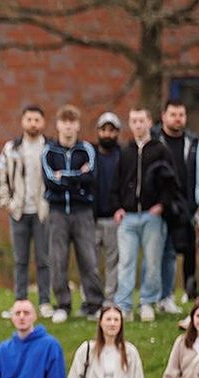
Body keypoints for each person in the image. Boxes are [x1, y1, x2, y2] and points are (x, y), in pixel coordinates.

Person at [112, 108, 177, 322]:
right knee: (126, 262)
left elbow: (171, 182)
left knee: (152, 262)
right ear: (130, 124)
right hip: (128, 217)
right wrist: (117, 207)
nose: (138, 125)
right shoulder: (124, 151)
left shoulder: (161, 150)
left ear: (149, 122)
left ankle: (147, 302)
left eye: (141, 120)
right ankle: (124, 305)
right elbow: (116, 182)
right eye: (134, 121)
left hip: (152, 216)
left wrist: (162, 205)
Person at [43, 104, 104, 323]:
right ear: (58, 125)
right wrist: (77, 176)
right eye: (64, 122)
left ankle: (94, 304)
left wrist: (65, 176)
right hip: (57, 212)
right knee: (58, 260)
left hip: (82, 211)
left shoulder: (87, 149)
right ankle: (63, 304)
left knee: (89, 259)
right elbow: (50, 181)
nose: (68, 127)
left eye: (72, 122)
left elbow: (91, 178)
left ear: (78, 126)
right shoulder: (49, 151)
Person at [0, 105, 54, 319]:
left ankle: (45, 302)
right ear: (22, 122)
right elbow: (2, 175)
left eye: (37, 120)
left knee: (43, 260)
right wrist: (7, 202)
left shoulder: (50, 147)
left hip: (42, 211)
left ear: (43, 123)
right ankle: (19, 302)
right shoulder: (11, 148)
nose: (33, 124)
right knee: (20, 260)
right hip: (18, 211)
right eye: (29, 119)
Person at [155, 100, 198, 306]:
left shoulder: (193, 142)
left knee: (187, 249)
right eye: (173, 114)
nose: (177, 119)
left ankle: (188, 290)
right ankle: (159, 295)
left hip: (187, 204)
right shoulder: (154, 140)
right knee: (159, 253)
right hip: (159, 205)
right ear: (164, 116)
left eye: (181, 114)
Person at [93, 113, 121, 306]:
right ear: (98, 131)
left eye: (111, 130)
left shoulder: (122, 156)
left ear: (117, 132)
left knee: (113, 262)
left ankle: (110, 300)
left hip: (114, 217)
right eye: (104, 130)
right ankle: (93, 300)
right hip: (92, 218)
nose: (107, 134)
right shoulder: (90, 155)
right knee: (91, 263)